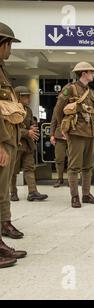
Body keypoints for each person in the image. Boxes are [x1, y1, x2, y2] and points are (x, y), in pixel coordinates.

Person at [54, 61, 94, 208]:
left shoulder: (91, 92)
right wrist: (64, 126)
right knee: (74, 167)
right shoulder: (70, 89)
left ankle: (86, 194)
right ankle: (75, 196)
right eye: (91, 72)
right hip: (76, 132)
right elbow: (58, 109)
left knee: (88, 166)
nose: (93, 74)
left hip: (90, 132)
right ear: (84, 73)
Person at [0, 22, 27, 268]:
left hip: (7, 140)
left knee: (2, 191)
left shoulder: (2, 69)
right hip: (1, 141)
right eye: (9, 44)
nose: (10, 50)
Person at [10, 86, 48, 203]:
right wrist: (27, 132)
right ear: (18, 97)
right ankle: (13, 192)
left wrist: (32, 127)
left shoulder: (28, 110)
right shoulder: (11, 110)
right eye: (26, 96)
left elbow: (31, 124)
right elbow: (11, 129)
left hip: (28, 145)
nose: (29, 98)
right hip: (16, 144)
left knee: (29, 168)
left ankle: (32, 192)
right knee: (13, 170)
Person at [50, 103, 68, 188]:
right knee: (59, 159)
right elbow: (53, 121)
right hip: (59, 135)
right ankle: (59, 178)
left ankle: (71, 179)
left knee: (72, 159)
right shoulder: (57, 107)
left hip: (72, 135)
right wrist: (51, 135)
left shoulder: (75, 104)